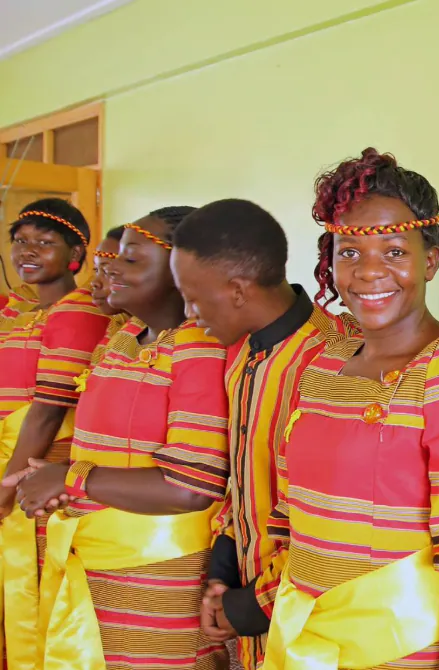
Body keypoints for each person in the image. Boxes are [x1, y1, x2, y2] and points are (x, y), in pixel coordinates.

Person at [261, 148, 439, 670]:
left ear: (430, 258)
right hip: (303, 644)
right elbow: (297, 520)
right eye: (350, 253)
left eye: (394, 252)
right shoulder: (325, 363)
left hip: (403, 652)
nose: (368, 272)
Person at [11, 205, 231, 670]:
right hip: (93, 560)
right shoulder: (127, 336)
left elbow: (191, 487)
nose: (108, 264)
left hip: (155, 573)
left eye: (131, 259)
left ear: (184, 271)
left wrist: (70, 479)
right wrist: (56, 484)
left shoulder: (199, 346)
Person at [170, 198, 349, 669]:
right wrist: (223, 574)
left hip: (307, 620)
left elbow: (328, 523)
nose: (189, 314)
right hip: (250, 616)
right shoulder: (243, 354)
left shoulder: (330, 361)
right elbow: (243, 480)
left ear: (235, 290)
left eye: (192, 295)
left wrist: (253, 606)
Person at [0, 199, 110, 668]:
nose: (28, 251)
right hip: (12, 465)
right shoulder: (21, 310)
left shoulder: (78, 311)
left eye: (45, 243)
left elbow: (47, 412)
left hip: (34, 472)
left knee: (35, 590)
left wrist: (5, 489)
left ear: (75, 255)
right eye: (21, 241)